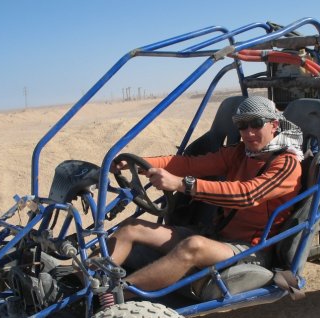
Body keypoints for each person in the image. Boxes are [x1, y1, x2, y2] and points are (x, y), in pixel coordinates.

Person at [108, 95, 303, 293]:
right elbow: (190, 165)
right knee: (131, 228)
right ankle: (90, 281)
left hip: (252, 250)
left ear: (274, 124)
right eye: (242, 126)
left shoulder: (287, 164)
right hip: (218, 236)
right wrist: (140, 163)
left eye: (256, 123)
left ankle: (114, 296)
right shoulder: (239, 153)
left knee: (193, 245)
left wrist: (183, 184)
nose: (249, 132)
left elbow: (247, 194)